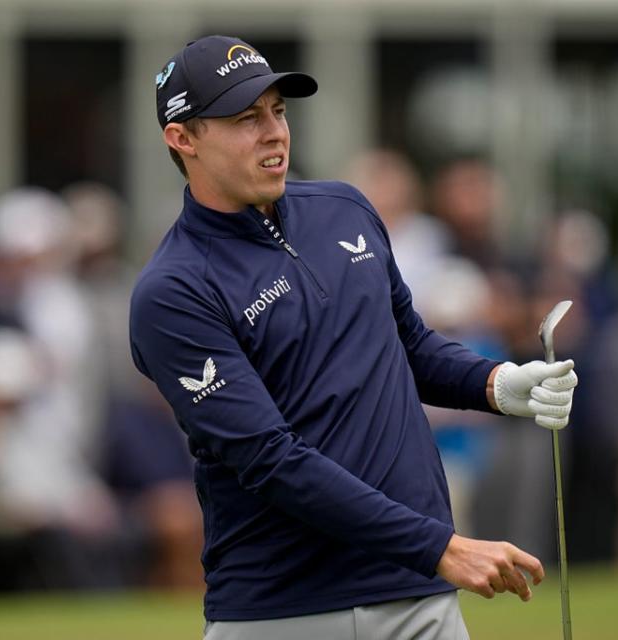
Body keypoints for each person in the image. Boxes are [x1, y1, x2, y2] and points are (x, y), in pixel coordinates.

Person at [129, 35, 578, 640]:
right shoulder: (173, 291)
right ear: (183, 138)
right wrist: (441, 547)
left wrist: (497, 383)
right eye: (244, 119)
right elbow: (269, 459)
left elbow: (409, 345)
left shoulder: (344, 209)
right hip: (281, 610)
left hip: (417, 596)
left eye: (278, 112)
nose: (274, 133)